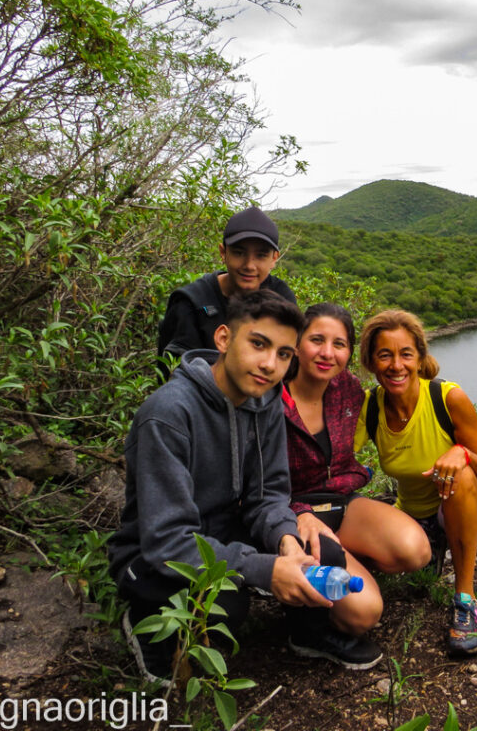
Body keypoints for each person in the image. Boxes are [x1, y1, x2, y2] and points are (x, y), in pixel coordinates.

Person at [108, 290, 334, 685]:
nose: (269, 364)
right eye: (258, 344)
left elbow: (268, 496)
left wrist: (284, 539)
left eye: (283, 354)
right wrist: (262, 569)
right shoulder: (168, 414)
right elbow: (167, 540)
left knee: (318, 550)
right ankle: (143, 620)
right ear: (224, 339)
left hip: (222, 527)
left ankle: (308, 636)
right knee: (227, 605)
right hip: (152, 554)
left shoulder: (265, 403)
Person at [282, 303, 430, 668]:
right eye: (317, 340)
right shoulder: (271, 395)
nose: (327, 353)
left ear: (350, 354)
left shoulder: (347, 390)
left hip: (337, 500)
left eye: (339, 344)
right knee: (364, 614)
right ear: (297, 343)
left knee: (415, 550)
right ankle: (305, 626)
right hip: (286, 513)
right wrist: (296, 515)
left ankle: (338, 567)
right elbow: (254, 484)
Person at [355, 310, 477, 656]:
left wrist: (463, 454)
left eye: (405, 354)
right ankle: (432, 549)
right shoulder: (370, 406)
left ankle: (465, 598)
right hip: (413, 513)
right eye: (384, 355)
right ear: (371, 362)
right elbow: (336, 456)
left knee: (462, 474)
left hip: (471, 504)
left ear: (420, 358)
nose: (396, 365)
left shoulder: (448, 399)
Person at [156, 206, 296, 373]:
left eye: (260, 256)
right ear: (223, 252)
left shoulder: (281, 296)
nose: (249, 266)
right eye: (239, 253)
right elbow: (174, 374)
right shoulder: (191, 303)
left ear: (274, 258)